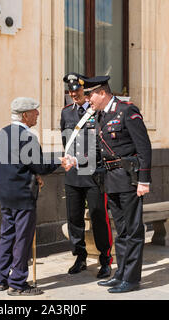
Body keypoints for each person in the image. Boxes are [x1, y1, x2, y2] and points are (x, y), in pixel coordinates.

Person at [0, 97, 74, 296]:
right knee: (22, 238)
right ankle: (18, 283)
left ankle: (1, 279)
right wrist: (59, 161)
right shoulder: (27, 136)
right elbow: (39, 165)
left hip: (5, 193)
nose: (38, 114)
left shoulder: (1, 133)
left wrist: (34, 174)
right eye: (35, 111)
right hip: (22, 194)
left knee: (7, 236)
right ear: (25, 115)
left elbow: (13, 163)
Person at [83, 76, 152, 293]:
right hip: (111, 180)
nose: (88, 100)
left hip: (129, 179)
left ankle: (131, 279)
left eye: (90, 95)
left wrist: (143, 180)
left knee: (133, 230)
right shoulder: (102, 115)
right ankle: (121, 273)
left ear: (102, 93)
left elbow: (144, 148)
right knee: (121, 230)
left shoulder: (127, 111)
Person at [61, 72, 113, 278]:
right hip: (73, 175)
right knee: (74, 218)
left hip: (94, 174)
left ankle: (105, 259)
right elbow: (67, 142)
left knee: (99, 217)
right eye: (71, 91)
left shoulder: (97, 112)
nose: (74, 95)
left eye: (78, 91)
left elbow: (103, 143)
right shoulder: (66, 113)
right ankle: (80, 257)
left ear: (86, 91)